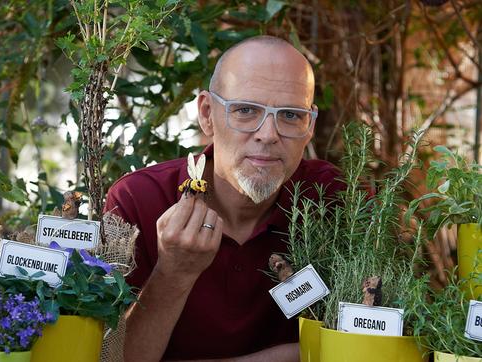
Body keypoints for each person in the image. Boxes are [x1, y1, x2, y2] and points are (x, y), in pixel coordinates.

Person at [104, 35, 344, 362]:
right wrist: (173, 273)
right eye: (246, 110)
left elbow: (370, 347)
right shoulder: (139, 200)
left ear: (310, 125)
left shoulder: (335, 198)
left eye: (290, 115)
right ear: (207, 114)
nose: (268, 134)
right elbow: (116, 358)